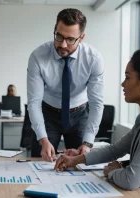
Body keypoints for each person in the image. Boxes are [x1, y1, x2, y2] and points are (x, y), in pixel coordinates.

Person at [54, 48, 140, 198]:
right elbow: (115, 150)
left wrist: (111, 172)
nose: (122, 84)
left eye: (127, 77)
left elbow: (131, 179)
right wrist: (75, 160)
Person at [27, 8, 104, 162]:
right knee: (39, 161)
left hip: (79, 115)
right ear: (55, 29)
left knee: (81, 164)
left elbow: (96, 103)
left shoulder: (93, 59)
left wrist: (88, 142)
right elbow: (34, 102)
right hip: (48, 114)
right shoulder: (38, 57)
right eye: (59, 36)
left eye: (70, 39)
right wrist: (43, 139)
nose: (62, 44)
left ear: (81, 37)